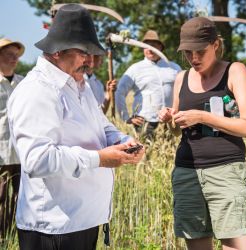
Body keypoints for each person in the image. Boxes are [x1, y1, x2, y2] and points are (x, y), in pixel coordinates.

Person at [7, 4, 144, 250]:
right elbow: (37, 160)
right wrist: (99, 159)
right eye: (83, 52)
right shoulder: (37, 91)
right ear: (57, 51)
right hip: (53, 228)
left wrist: (123, 141)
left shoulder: (79, 85)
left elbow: (102, 127)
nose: (90, 61)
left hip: (82, 221)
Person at [159, 17, 246, 250]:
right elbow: (176, 131)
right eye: (187, 52)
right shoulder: (181, 78)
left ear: (215, 45)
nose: (193, 58)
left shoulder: (235, 71)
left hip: (226, 171)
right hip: (186, 172)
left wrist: (203, 117)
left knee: (236, 245)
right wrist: (170, 119)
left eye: (200, 52)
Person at [115, 30, 181, 139]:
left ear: (160, 47)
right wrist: (126, 118)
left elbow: (183, 91)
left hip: (170, 121)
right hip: (144, 123)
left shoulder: (174, 68)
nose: (150, 49)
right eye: (146, 46)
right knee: (147, 154)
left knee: (171, 153)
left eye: (154, 46)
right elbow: (120, 92)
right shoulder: (135, 69)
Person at [0, 38, 24, 239]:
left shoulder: (24, 83)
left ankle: (12, 235)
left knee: (19, 197)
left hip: (21, 149)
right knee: (0, 196)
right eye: (10, 54)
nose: (15, 59)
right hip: (0, 149)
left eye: (17, 55)